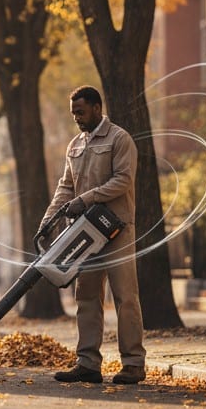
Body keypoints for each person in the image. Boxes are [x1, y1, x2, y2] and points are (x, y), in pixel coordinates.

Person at [38, 86, 146, 385]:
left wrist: (88, 199)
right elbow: (65, 186)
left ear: (97, 108)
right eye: (73, 113)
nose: (76, 118)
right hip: (85, 233)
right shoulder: (75, 144)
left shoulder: (119, 139)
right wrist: (49, 220)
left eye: (81, 112)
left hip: (117, 229)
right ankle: (87, 363)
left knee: (125, 297)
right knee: (86, 296)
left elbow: (123, 180)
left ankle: (134, 364)